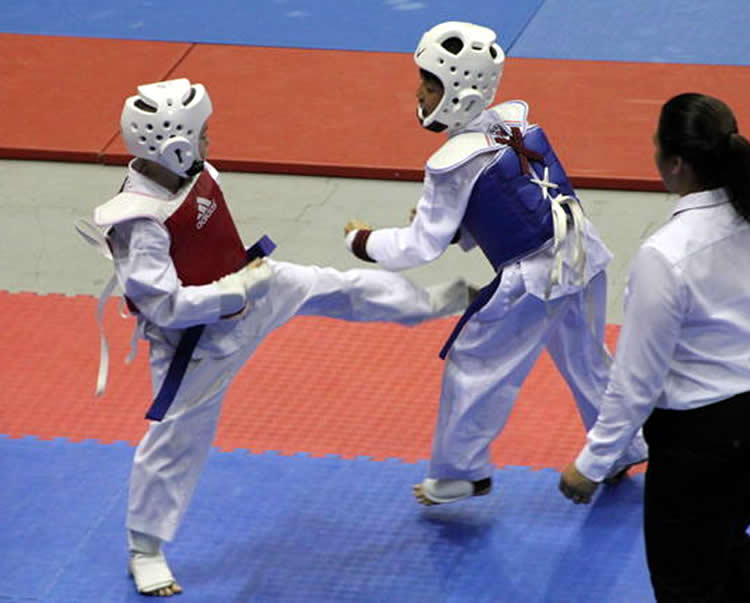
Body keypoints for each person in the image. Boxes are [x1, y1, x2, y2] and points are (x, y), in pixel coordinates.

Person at [77, 78, 472, 596]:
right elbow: (163, 306)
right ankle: (145, 548)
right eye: (202, 134)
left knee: (338, 287)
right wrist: (231, 291)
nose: (209, 142)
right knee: (175, 439)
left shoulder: (193, 171)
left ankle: (431, 303)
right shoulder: (138, 222)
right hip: (197, 344)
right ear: (172, 143)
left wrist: (244, 282)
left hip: (254, 289)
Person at [343, 21, 647, 507]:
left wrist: (363, 241)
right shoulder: (515, 124)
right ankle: (622, 446)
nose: (418, 93)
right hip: (583, 252)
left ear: (458, 91)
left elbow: (421, 246)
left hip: (533, 276)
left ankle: (462, 473)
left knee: (474, 363)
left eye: (429, 83)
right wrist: (461, 226)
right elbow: (514, 201)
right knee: (587, 358)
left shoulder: (452, 162)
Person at [559, 93, 750, 601]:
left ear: (676, 164)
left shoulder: (665, 255)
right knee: (733, 558)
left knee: (686, 582)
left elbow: (635, 380)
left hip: (700, 444)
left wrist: (593, 463)